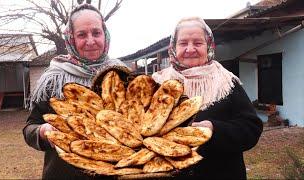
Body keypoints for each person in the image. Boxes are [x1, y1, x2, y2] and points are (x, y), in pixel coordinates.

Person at [23, 4, 127, 179]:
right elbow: (29, 128)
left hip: (116, 172)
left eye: (96, 32)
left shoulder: (123, 75)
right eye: (81, 34)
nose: (90, 41)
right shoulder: (53, 80)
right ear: (70, 38)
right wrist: (42, 131)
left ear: (105, 34)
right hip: (64, 173)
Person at [152, 17, 263, 179]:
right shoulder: (157, 84)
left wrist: (213, 129)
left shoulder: (226, 83)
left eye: (197, 43)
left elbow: (251, 129)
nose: (190, 49)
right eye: (183, 43)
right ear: (173, 48)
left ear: (209, 46)